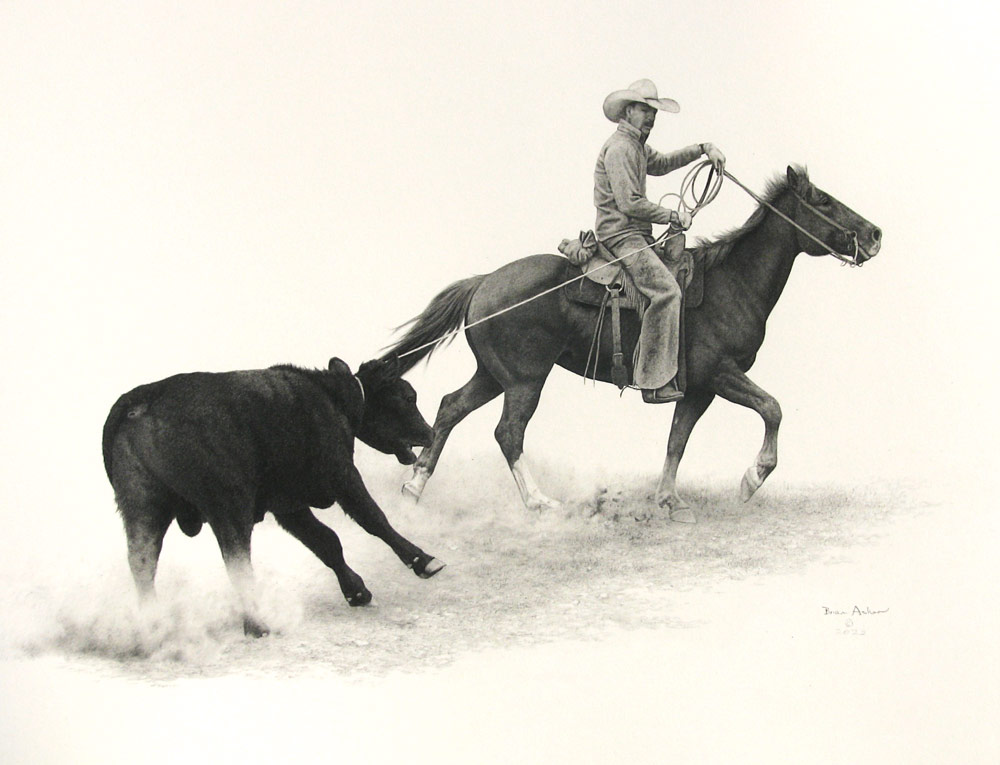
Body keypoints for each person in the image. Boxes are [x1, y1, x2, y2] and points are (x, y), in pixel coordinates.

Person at [594, 79, 725, 403]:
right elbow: (629, 203)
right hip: (621, 237)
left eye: (654, 112)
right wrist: (671, 215)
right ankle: (653, 383)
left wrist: (703, 148)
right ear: (628, 111)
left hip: (637, 236)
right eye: (644, 110)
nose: (651, 117)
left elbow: (663, 163)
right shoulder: (621, 148)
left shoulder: (636, 145)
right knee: (667, 292)